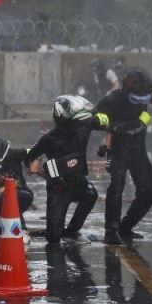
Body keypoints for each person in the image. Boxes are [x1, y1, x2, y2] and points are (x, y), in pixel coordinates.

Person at [26, 95, 105, 244]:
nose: (81, 121)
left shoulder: (83, 128)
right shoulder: (49, 138)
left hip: (78, 181)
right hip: (58, 187)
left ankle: (72, 231)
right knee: (53, 237)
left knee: (90, 194)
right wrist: (35, 166)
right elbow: (31, 156)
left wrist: (102, 119)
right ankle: (57, 231)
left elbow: (103, 120)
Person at [96, 68, 152, 244]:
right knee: (116, 188)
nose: (139, 102)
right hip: (118, 151)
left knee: (149, 193)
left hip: (138, 151)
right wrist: (122, 127)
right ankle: (111, 230)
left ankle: (125, 227)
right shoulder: (113, 99)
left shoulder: (145, 94)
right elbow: (95, 118)